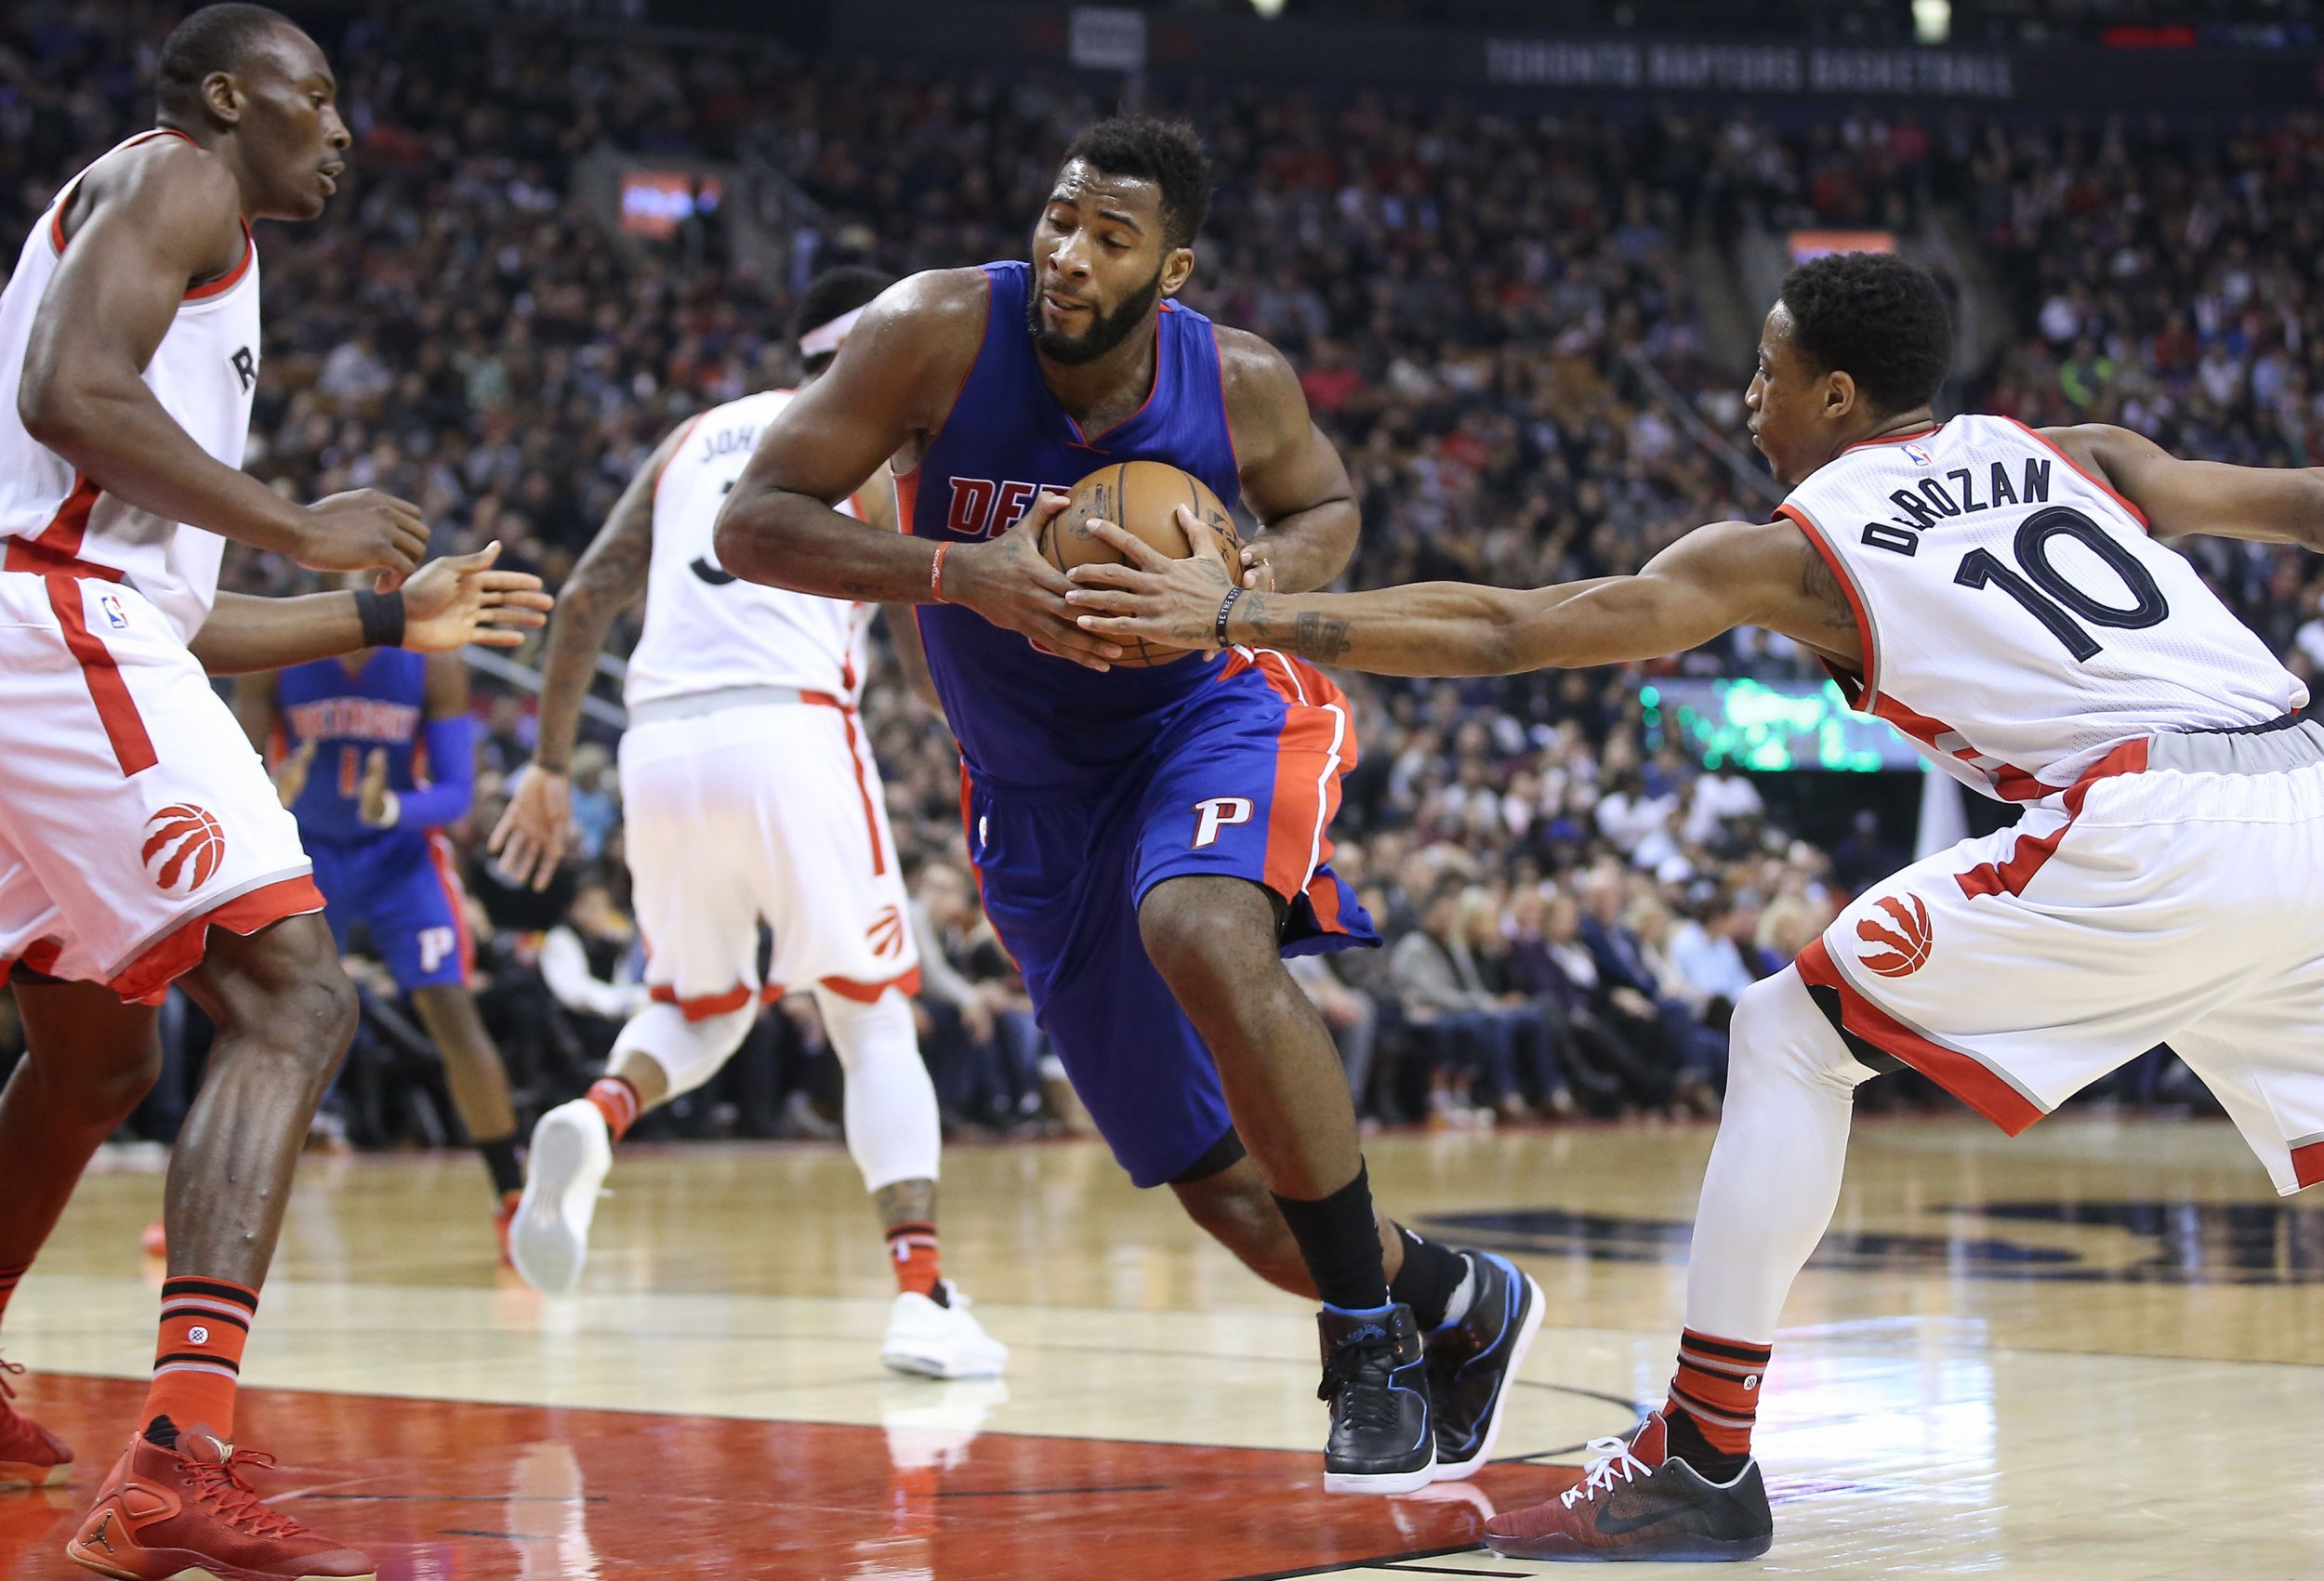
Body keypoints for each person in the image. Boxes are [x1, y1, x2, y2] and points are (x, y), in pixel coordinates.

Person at [1064, 249, 2324, 1561]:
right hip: (2304, 782)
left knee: (1789, 1035)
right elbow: (2300, 500)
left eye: (1764, 373)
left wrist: (1237, 613)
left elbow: (1516, 628)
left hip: (2153, 821)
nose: (1744, 399)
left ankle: (1702, 1458)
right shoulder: (2083, 454)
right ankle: (1699, 1456)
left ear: (1836, 396)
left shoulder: (1795, 554)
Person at [712, 114, 1539, 1492]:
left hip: (1208, 713)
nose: (1068, 254)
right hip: (1031, 791)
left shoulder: (1243, 382)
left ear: (1176, 268)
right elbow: (754, 522)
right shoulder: (932, 330)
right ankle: (1459, 1297)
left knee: (1205, 928)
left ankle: (1366, 1347)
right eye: (1058, 218)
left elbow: (1326, 503)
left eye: (1110, 235)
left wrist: (1248, 587)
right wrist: (956, 571)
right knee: (1218, 1187)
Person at [0, 11, 549, 1575]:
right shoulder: (181, 182)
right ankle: (180, 1452)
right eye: (317, 98)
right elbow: (64, 392)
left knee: (94, 1059)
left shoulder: (171, 237)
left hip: (57, 630)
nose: (344, 129)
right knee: (298, 1001)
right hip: (50, 632)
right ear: (232, 97)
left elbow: (179, 612)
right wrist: (305, 527)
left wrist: (388, 617)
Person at [489, 269, 1008, 1380]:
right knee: (872, 1020)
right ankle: (922, 1296)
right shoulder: (872, 449)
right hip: (791, 733)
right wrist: (1005, 730)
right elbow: (921, 659)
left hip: (658, 744)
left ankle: (598, 1111)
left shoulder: (692, 438)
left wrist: (543, 766)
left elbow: (583, 601)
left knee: (703, 1005)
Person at [234, 636, 525, 1252]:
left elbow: (455, 793)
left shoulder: (433, 658)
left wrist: (389, 804)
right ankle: (219, 1200)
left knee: (450, 1008)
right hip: (303, 847)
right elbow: (233, 764)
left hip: (398, 852)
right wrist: (265, 791)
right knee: (270, 1019)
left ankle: (512, 1197)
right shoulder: (283, 643)